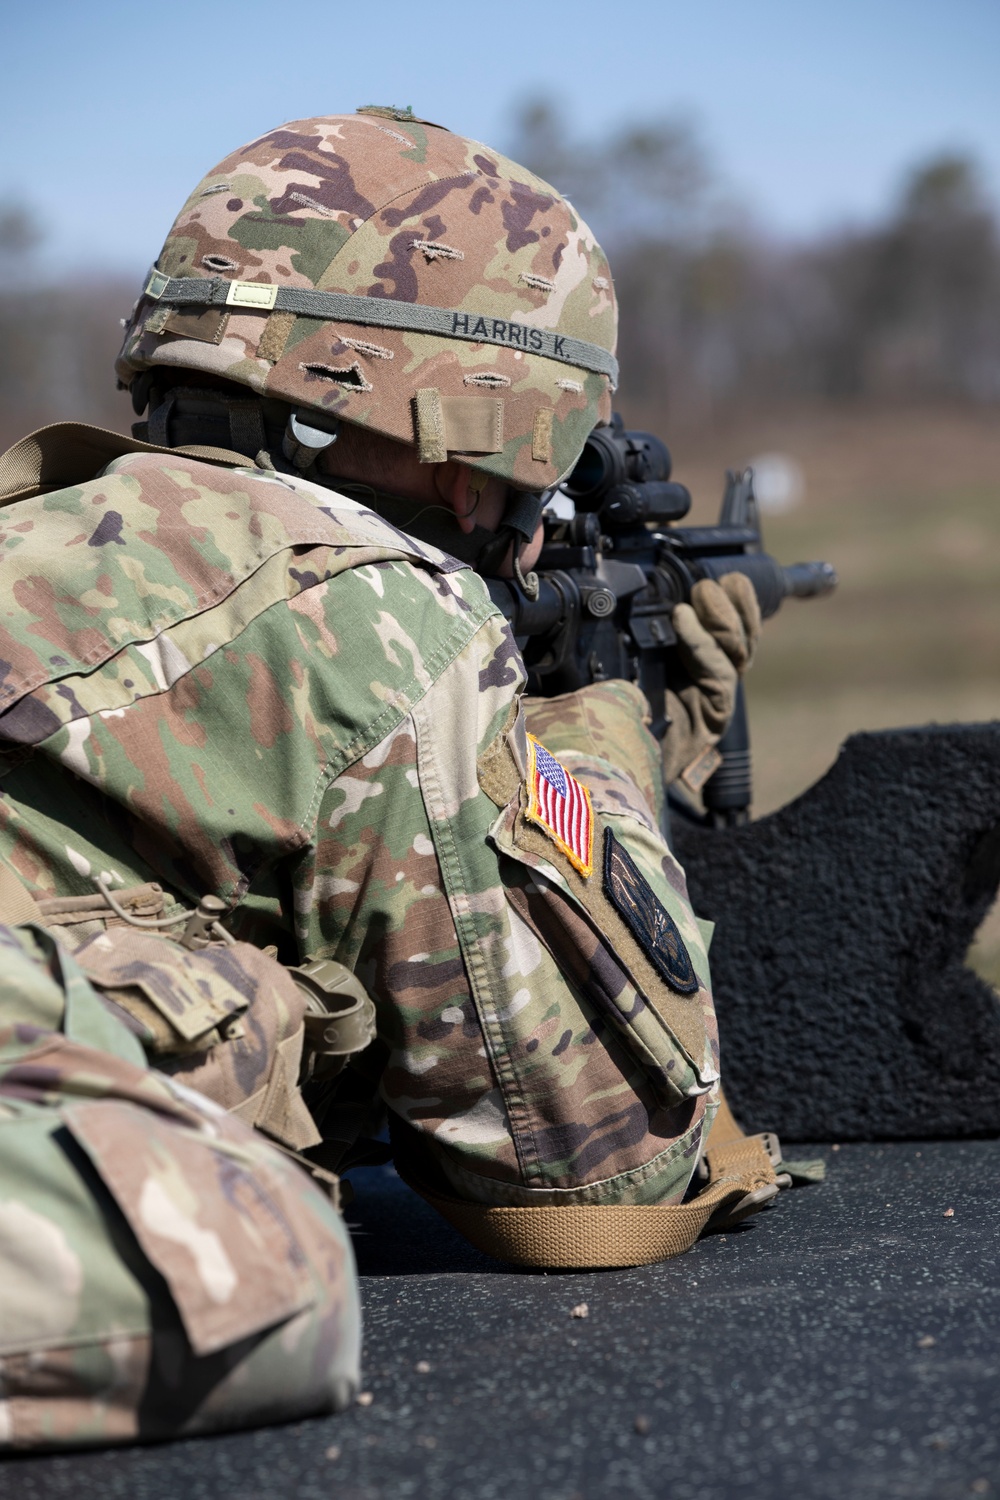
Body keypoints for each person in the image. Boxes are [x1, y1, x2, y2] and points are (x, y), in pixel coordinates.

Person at [0, 106, 787, 1445]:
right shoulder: (374, 619)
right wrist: (596, 741)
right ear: (476, 420)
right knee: (252, 1266)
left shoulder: (54, 526)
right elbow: (607, 1167)